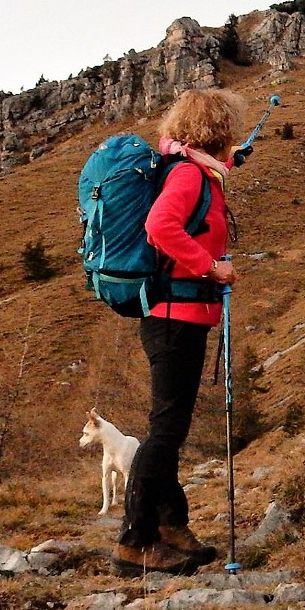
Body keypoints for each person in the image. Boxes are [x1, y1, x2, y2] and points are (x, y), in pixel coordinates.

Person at [112, 87, 247, 577]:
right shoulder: (189, 174)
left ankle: (172, 528)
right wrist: (211, 267)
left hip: (178, 316)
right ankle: (135, 542)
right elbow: (161, 226)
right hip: (174, 318)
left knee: (168, 429)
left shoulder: (194, 169)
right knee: (165, 433)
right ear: (218, 130)